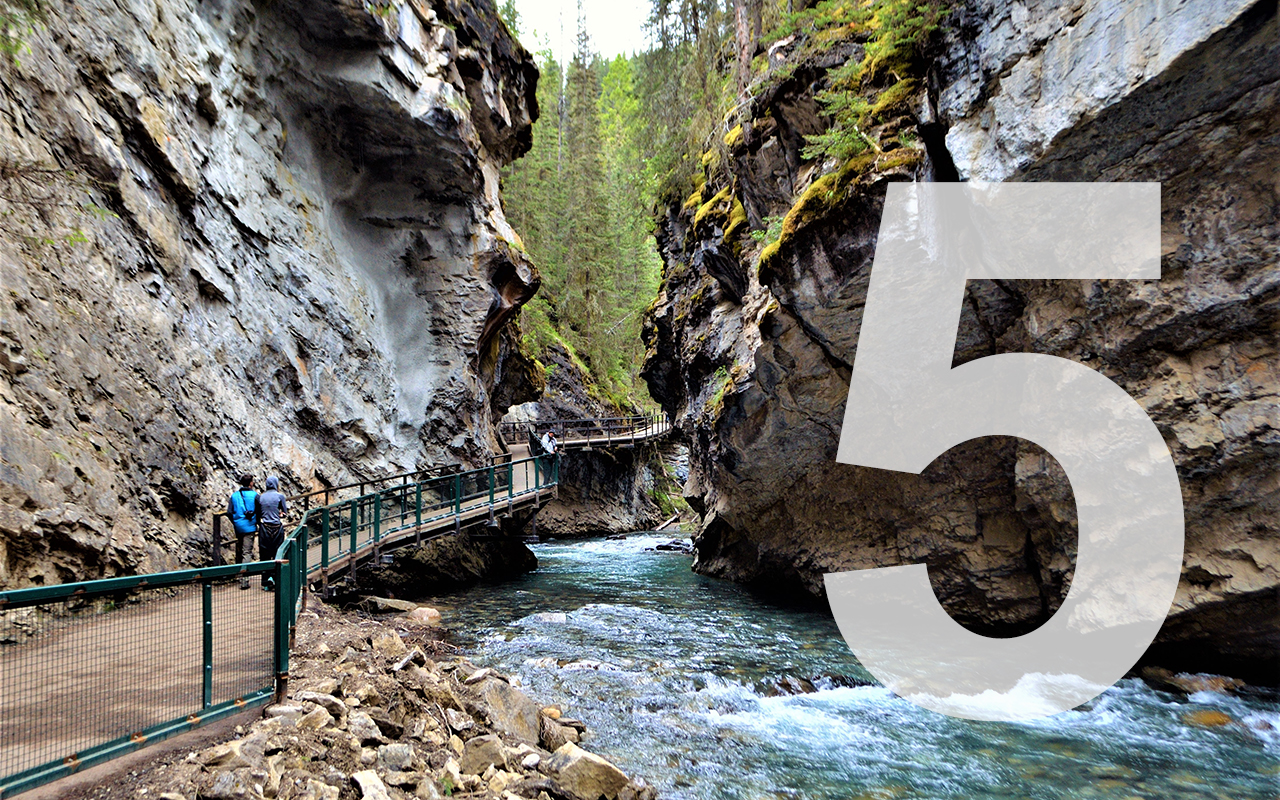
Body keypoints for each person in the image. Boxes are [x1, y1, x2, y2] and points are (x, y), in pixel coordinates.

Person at [255, 476, 288, 591]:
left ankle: (265, 581)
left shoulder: (261, 497)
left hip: (264, 528)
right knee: (277, 553)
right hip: (277, 528)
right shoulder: (280, 496)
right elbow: (284, 513)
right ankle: (275, 579)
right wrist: (279, 514)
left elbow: (258, 514)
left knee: (264, 555)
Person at [227, 474, 258, 589]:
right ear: (250, 483)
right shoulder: (255, 495)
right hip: (249, 527)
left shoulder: (234, 496)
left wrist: (235, 521)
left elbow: (229, 512)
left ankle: (239, 574)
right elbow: (259, 511)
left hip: (238, 527)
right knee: (246, 552)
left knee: (240, 549)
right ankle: (244, 580)